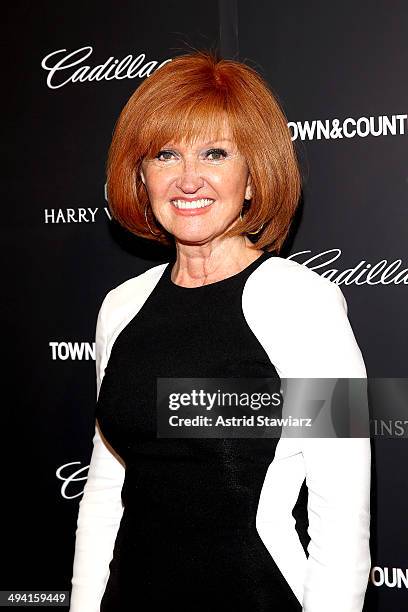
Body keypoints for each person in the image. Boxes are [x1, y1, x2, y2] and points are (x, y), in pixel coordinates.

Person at [69, 50, 371, 612]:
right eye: (165, 154)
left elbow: (342, 511)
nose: (188, 179)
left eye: (215, 153)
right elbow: (107, 492)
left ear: (254, 177)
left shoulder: (305, 303)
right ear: (140, 176)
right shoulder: (120, 307)